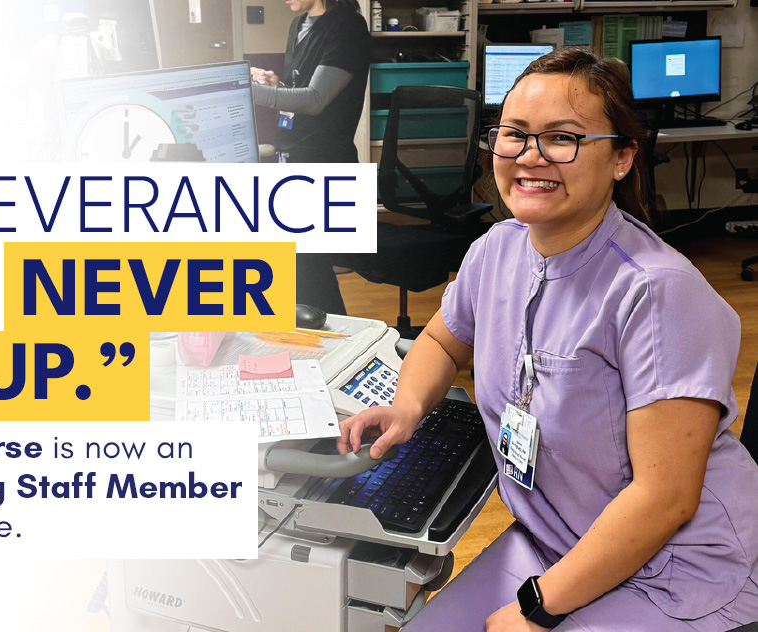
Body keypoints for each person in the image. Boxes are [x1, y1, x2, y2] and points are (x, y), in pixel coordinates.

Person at [339, 47, 758, 631]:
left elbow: (666, 499)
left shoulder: (657, 292)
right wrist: (408, 408)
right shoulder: (498, 249)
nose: (531, 156)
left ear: (621, 158)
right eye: (514, 134)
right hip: (553, 537)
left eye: (562, 138)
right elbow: (439, 341)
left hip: (677, 569)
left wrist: (538, 607)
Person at [249, 0, 369, 315]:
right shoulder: (298, 25)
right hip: (294, 155)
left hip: (326, 163)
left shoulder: (348, 26)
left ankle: (340, 345)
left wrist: (249, 92)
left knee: (308, 270)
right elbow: (301, 90)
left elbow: (316, 100)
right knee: (301, 270)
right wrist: (278, 86)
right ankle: (325, 342)